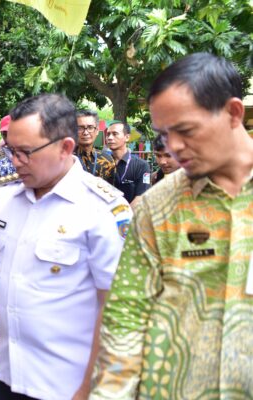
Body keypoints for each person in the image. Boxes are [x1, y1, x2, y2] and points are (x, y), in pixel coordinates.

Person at [91, 53, 253, 398]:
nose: (174, 148)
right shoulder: (158, 207)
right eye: (165, 135)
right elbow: (126, 321)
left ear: (234, 113)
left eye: (186, 130)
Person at [0, 94, 131, 400]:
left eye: (25, 152)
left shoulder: (103, 209)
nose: (15, 162)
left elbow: (115, 307)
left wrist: (89, 389)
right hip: (7, 374)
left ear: (65, 148)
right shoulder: (6, 199)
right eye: (11, 151)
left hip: (65, 384)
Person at [105, 120, 151, 205]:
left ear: (127, 137)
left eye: (115, 134)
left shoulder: (141, 165)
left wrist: (124, 216)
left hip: (129, 215)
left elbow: (141, 196)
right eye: (108, 134)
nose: (110, 138)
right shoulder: (102, 162)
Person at [75, 109, 115, 181]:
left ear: (97, 131)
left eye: (90, 127)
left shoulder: (107, 160)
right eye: (80, 128)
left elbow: (112, 189)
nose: (86, 132)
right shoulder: (65, 158)